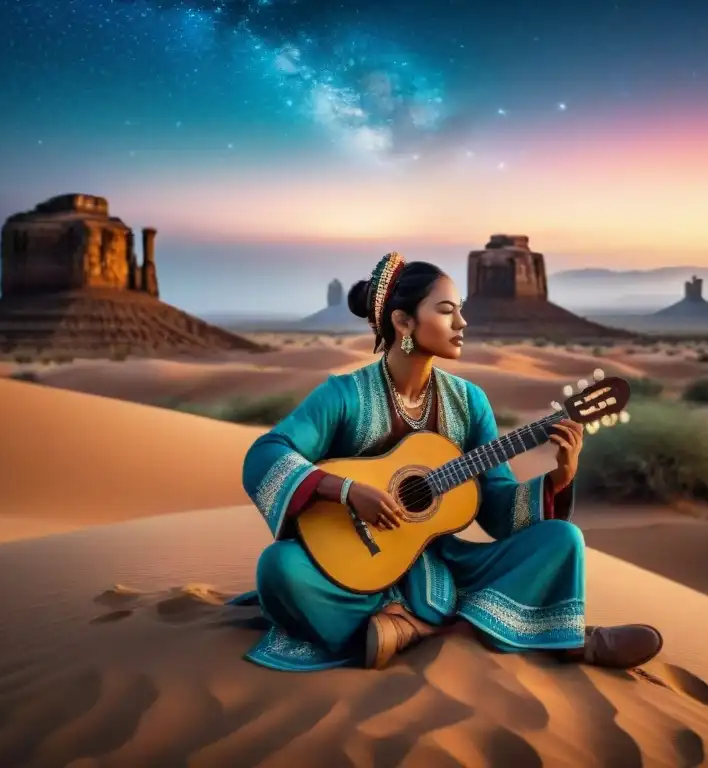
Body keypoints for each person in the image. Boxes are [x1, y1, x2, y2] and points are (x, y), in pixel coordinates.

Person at [231, 252, 664, 672]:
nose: (462, 323)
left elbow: (496, 506)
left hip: (444, 565)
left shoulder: (468, 402)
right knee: (278, 569)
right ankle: (467, 627)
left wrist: (557, 479)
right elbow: (266, 454)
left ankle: (428, 629)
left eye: (460, 310)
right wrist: (345, 490)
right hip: (353, 565)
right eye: (446, 311)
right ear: (403, 321)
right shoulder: (343, 395)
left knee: (563, 539)